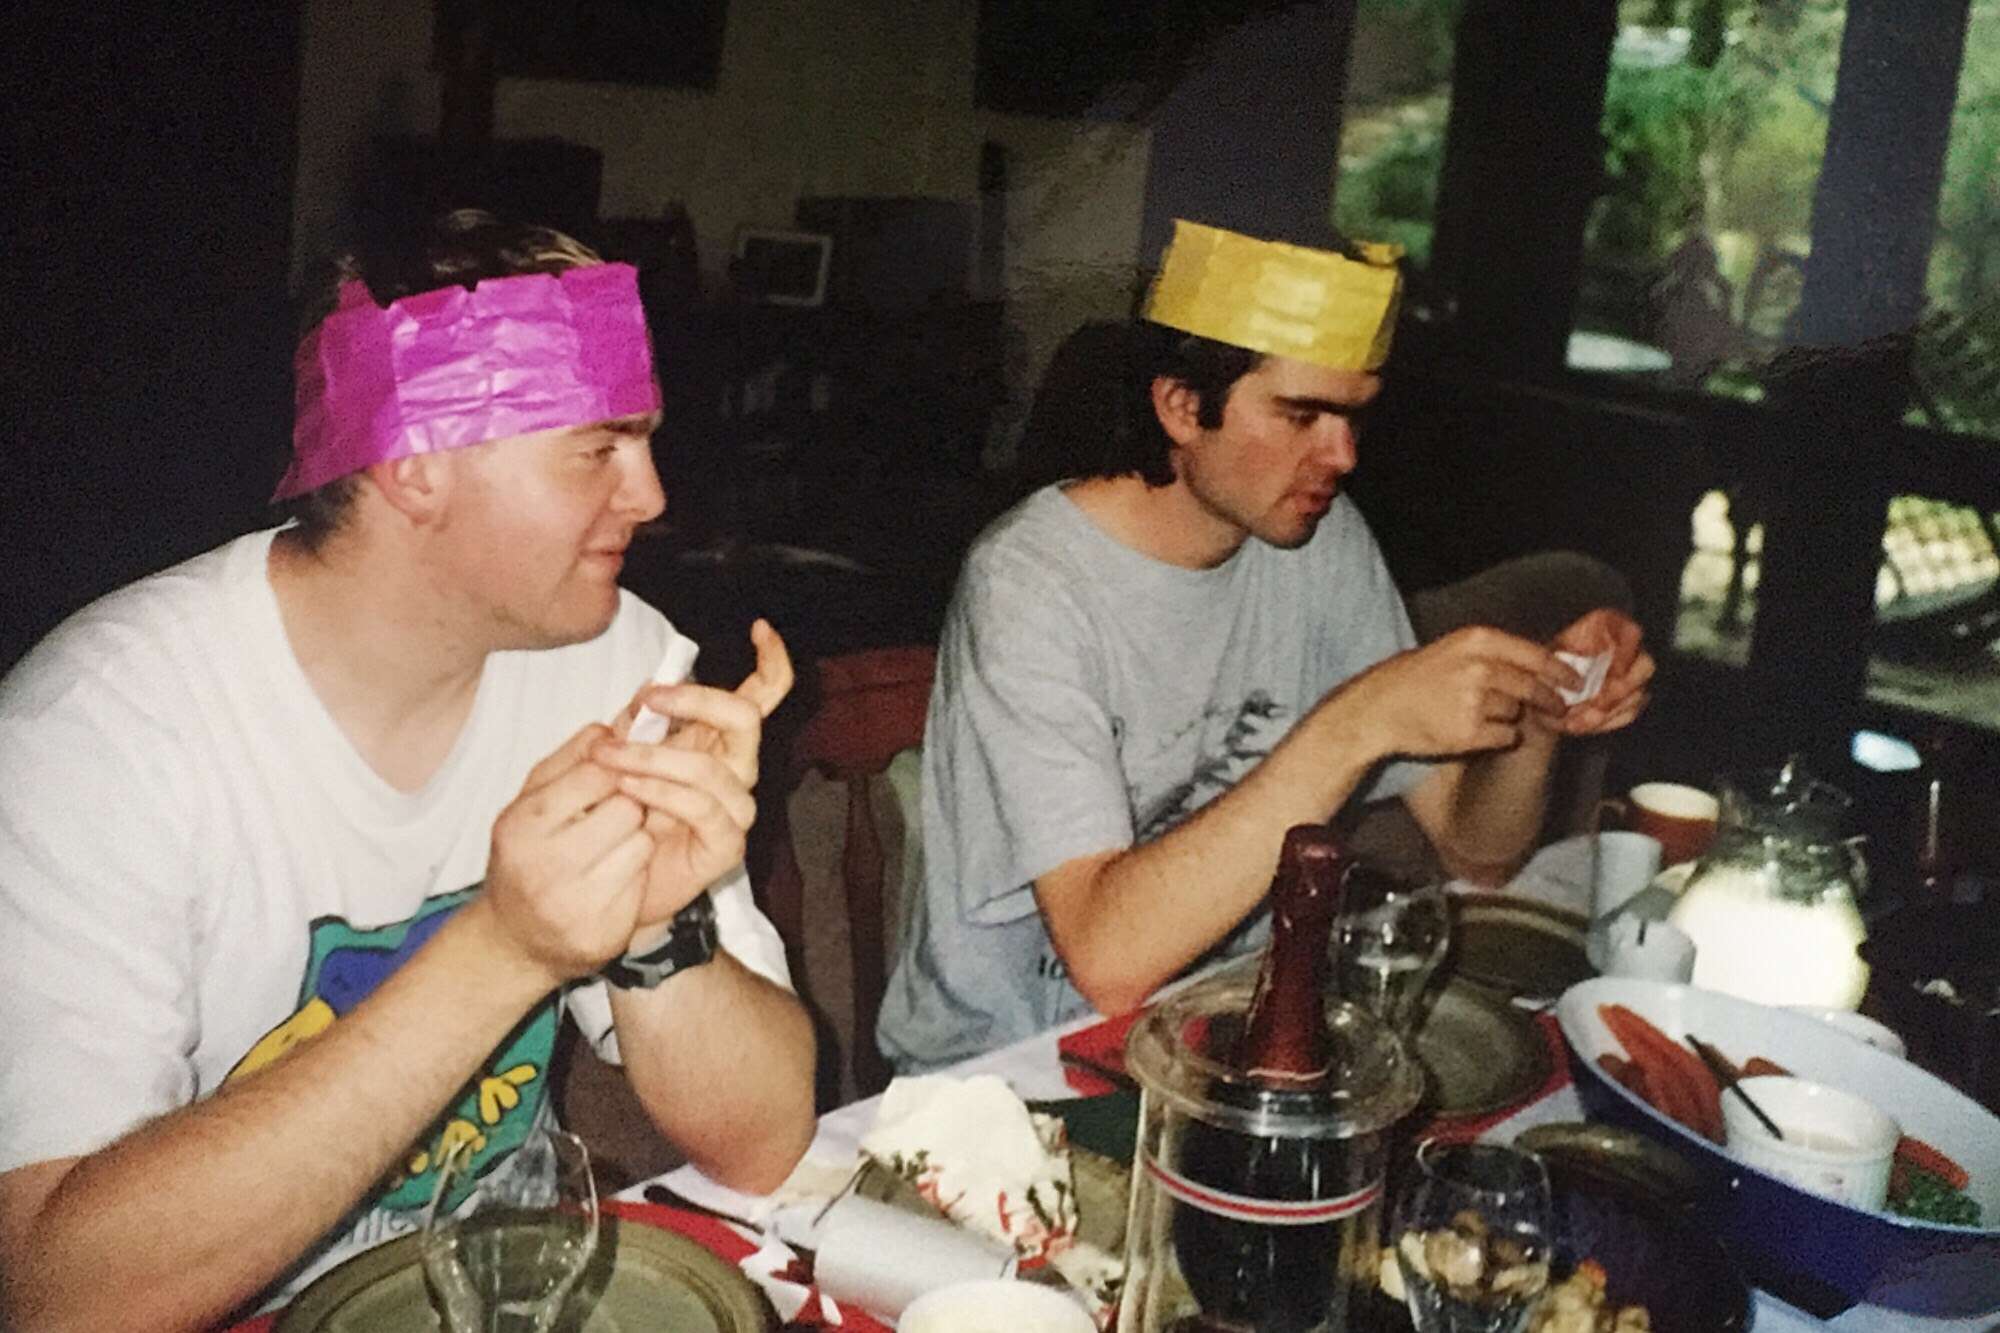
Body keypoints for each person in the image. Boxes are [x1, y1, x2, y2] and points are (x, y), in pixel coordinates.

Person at [0, 211, 817, 1330]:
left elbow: (763, 1142)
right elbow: (52, 1295)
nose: (651, 495)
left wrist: (653, 928)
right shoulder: (97, 737)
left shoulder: (610, 661)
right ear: (416, 465)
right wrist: (506, 948)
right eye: (599, 449)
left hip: (500, 1291)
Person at [879, 220, 1653, 1072]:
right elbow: (1109, 962)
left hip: (1220, 1043)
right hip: (1005, 1075)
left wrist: (1540, 713)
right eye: (1301, 414)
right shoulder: (1028, 583)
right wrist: (1355, 723)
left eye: (1354, 414)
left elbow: (1478, 852)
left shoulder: (1322, 540)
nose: (1342, 454)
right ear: (1181, 406)